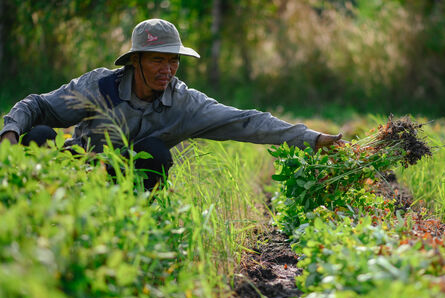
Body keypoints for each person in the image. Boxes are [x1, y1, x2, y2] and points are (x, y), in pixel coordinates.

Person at [0, 18, 344, 189]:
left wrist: (311, 138)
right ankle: (35, 201)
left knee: (156, 152)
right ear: (134, 61)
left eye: (173, 61)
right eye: (156, 61)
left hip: (123, 183)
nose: (167, 70)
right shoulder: (100, 87)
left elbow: (247, 121)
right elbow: (37, 106)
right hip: (78, 168)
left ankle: (132, 219)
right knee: (38, 134)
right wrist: (10, 132)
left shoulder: (184, 103)